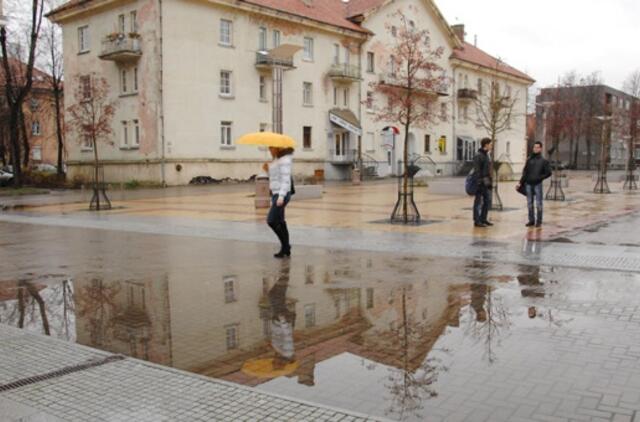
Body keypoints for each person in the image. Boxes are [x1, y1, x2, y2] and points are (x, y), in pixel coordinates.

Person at [263, 147, 293, 258]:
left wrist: (281, 197)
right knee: (280, 221)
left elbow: (286, 180)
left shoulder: (284, 161)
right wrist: (267, 170)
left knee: (271, 220)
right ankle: (286, 248)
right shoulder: (275, 160)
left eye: (271, 148)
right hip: (276, 193)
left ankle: (285, 246)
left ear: (277, 148)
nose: (269, 150)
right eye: (269, 148)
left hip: (282, 194)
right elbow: (276, 178)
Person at [517, 141, 551, 228]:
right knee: (529, 203)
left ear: (540, 148)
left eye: (537, 147)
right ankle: (531, 220)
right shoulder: (529, 159)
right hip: (528, 184)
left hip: (537, 184)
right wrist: (520, 182)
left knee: (539, 203)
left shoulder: (544, 161)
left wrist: (539, 178)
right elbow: (525, 172)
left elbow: (548, 173)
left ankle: (539, 221)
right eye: (534, 147)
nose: (535, 149)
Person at [472, 138, 493, 228]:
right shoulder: (478, 155)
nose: (491, 146)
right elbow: (477, 170)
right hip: (480, 182)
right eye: (490, 144)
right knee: (478, 202)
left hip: (486, 181)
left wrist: (489, 182)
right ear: (486, 145)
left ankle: (483, 219)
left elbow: (487, 170)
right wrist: (479, 181)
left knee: (487, 201)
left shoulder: (487, 155)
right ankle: (477, 221)